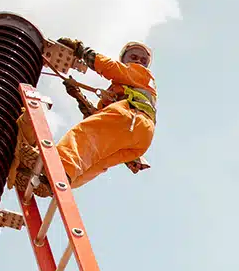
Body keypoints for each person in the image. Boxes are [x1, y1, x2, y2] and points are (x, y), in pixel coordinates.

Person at [15, 39, 157, 195]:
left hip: (132, 117)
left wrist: (82, 51)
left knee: (84, 134)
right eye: (134, 57)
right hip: (140, 139)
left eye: (143, 60)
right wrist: (78, 96)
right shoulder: (121, 91)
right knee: (95, 161)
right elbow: (96, 117)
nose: (139, 61)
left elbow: (111, 68)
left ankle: (59, 167)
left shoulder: (141, 74)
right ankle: (55, 183)